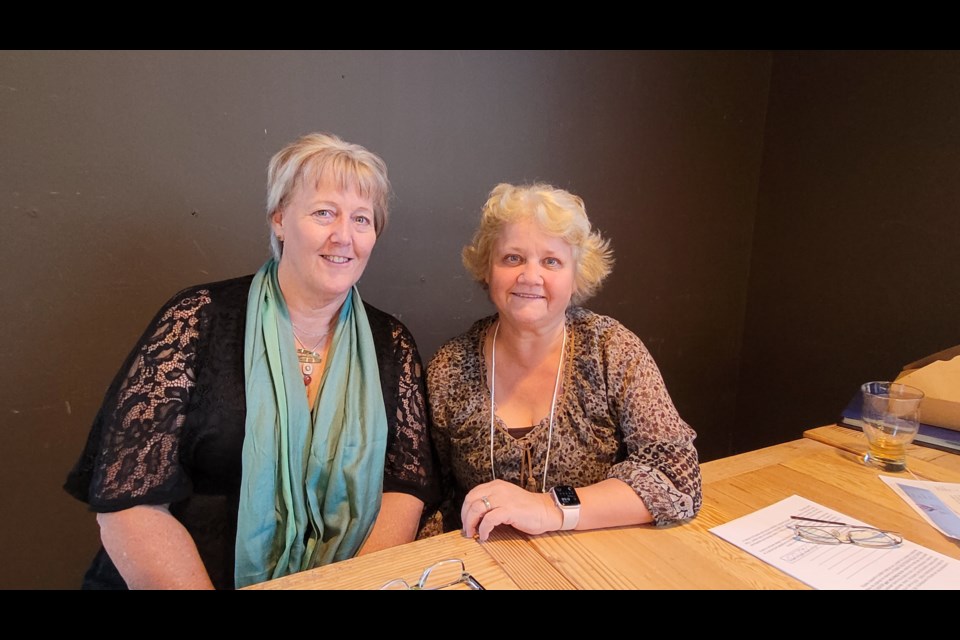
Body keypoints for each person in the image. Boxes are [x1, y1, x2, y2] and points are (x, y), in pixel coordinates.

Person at [64, 132, 435, 589]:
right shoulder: (197, 320)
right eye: (324, 213)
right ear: (279, 219)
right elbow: (128, 499)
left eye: (362, 219)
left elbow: (404, 488)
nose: (344, 236)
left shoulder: (390, 343)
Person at [427, 183, 701, 541]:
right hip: (487, 564)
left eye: (551, 261)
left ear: (576, 276)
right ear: (487, 270)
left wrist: (550, 508)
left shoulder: (611, 350)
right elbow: (434, 501)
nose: (530, 276)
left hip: (597, 559)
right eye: (513, 258)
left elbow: (676, 478)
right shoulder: (449, 368)